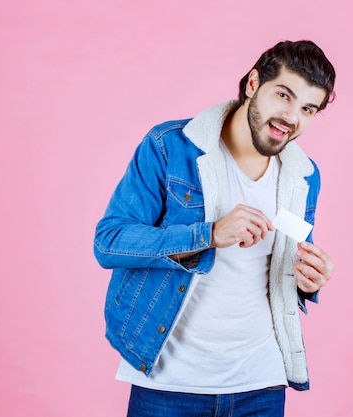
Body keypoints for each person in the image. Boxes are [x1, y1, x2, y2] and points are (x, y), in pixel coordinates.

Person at [94, 39, 336, 417]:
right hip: (170, 384)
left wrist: (308, 281)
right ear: (253, 84)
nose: (292, 117)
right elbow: (109, 241)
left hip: (261, 384)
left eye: (308, 108)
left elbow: (284, 268)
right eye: (284, 96)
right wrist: (209, 234)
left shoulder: (304, 175)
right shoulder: (170, 147)